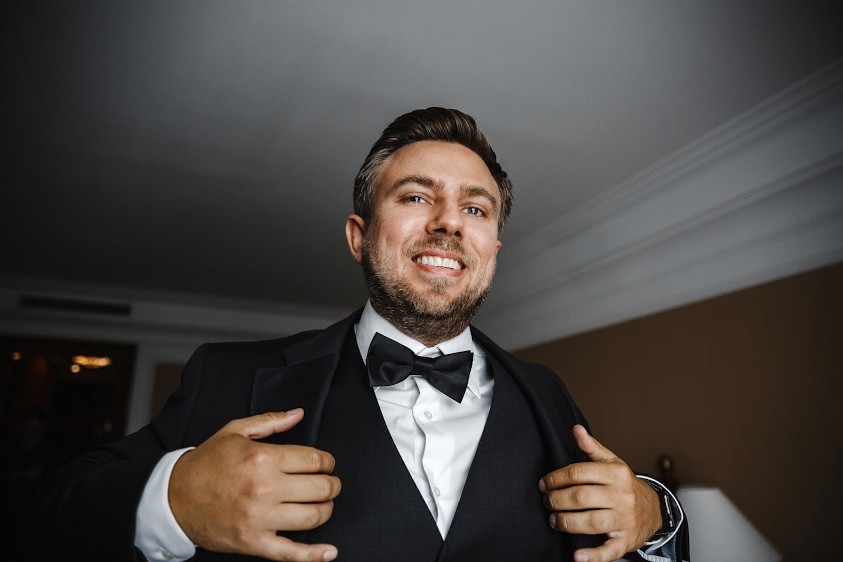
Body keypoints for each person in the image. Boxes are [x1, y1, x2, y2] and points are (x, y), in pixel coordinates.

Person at [25, 107, 688, 562]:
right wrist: (172, 500)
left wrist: (653, 512)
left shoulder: (547, 393)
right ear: (359, 236)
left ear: (491, 247)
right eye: (416, 197)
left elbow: (608, 533)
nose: (449, 222)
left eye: (475, 207)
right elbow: (47, 517)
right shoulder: (229, 375)